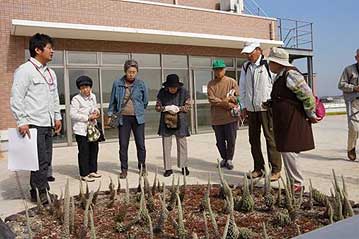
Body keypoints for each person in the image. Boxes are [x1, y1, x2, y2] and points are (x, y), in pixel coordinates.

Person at [10, 33, 62, 203]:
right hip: (33, 123)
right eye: (49, 48)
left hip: (47, 123)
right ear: (38, 50)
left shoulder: (50, 73)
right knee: (39, 160)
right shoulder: (25, 70)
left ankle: (38, 192)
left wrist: (57, 117)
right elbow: (17, 97)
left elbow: (54, 97)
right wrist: (21, 121)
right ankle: (41, 194)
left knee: (45, 160)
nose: (52, 51)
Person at [267, 47, 319, 192]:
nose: (269, 65)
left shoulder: (291, 75)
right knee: (286, 149)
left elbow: (308, 95)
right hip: (285, 119)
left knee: (289, 149)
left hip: (293, 118)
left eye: (271, 62)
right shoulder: (280, 75)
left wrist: (311, 114)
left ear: (279, 63)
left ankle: (297, 183)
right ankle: (293, 182)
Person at [239, 41, 282, 181]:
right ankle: (259, 168)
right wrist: (243, 107)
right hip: (251, 110)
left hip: (265, 108)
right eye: (246, 53)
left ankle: (275, 169)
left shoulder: (268, 65)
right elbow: (242, 88)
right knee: (253, 140)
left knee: (270, 139)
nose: (248, 56)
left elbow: (276, 85)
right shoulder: (245, 67)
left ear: (258, 50)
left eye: (250, 52)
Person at [107, 59, 148, 178]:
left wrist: (138, 110)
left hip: (138, 118)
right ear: (125, 71)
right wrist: (110, 114)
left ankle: (142, 167)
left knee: (140, 144)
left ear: (137, 72)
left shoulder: (141, 84)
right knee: (123, 145)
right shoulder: (117, 83)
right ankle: (124, 169)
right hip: (123, 119)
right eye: (129, 72)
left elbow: (145, 101)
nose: (131, 74)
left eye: (134, 72)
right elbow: (112, 101)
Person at [155, 74, 191, 177]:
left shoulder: (184, 92)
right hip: (166, 121)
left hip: (181, 121)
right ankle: (168, 168)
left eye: (175, 87)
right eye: (170, 87)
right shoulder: (162, 92)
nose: (173, 89)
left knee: (182, 144)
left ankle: (184, 166)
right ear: (167, 87)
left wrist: (179, 108)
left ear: (178, 86)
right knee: (166, 145)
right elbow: (157, 107)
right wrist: (165, 108)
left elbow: (188, 106)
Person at [207, 59, 239, 170]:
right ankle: (224, 158)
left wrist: (229, 98)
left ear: (224, 70)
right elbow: (212, 100)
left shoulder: (232, 82)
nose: (218, 72)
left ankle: (229, 159)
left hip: (230, 118)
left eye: (220, 69)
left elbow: (237, 98)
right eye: (216, 70)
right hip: (217, 118)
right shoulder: (211, 84)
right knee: (220, 141)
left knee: (231, 140)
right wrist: (226, 103)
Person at [70, 76, 102, 182]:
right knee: (84, 151)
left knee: (94, 149)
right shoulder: (76, 99)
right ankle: (84, 173)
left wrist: (97, 112)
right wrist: (87, 117)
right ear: (80, 89)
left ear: (90, 87)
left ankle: (92, 170)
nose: (85, 89)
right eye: (83, 87)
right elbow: (72, 114)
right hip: (81, 129)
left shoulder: (93, 96)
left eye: (87, 87)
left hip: (92, 128)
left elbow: (95, 107)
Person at [338, 49, 359, 161]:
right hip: (353, 101)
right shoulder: (349, 69)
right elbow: (341, 85)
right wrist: (354, 88)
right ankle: (351, 148)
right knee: (354, 128)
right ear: (356, 57)